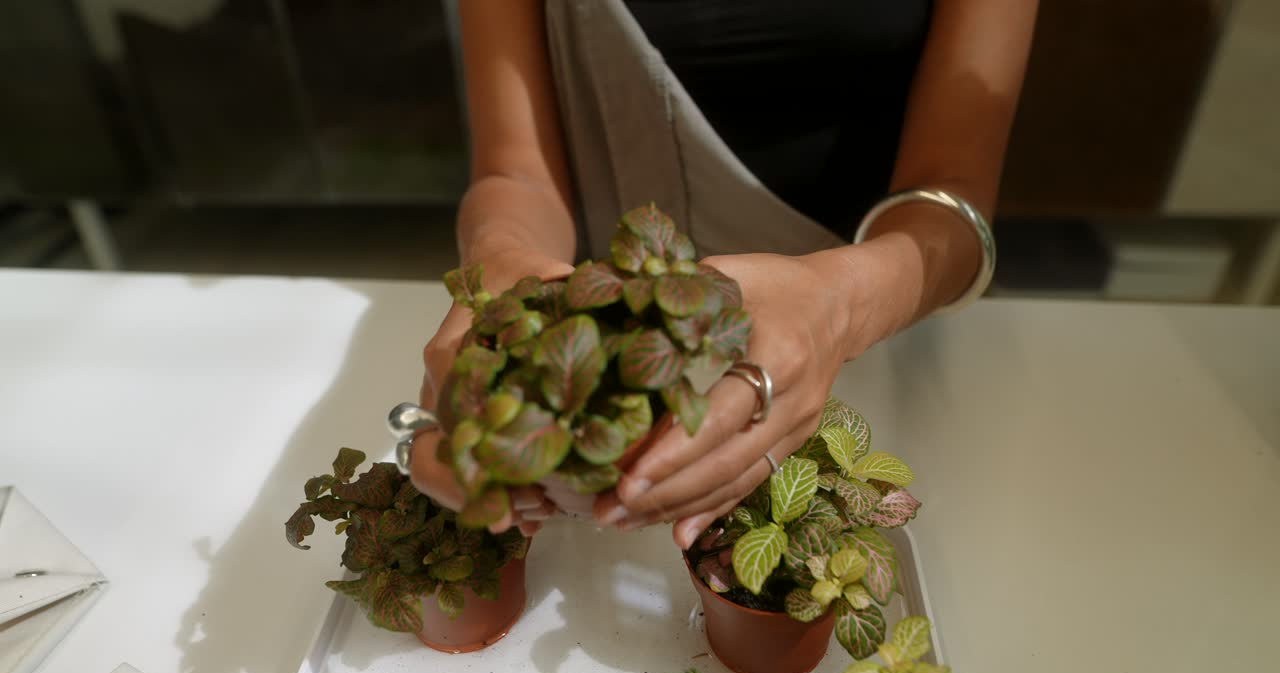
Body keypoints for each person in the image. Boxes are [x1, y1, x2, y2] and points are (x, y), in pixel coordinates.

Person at [405, 0, 1037, 549]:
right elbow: (517, 170)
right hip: (617, 337)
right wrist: (503, 264)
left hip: (879, 339)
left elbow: (952, 190)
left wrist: (841, 307)